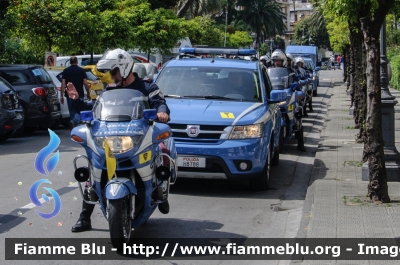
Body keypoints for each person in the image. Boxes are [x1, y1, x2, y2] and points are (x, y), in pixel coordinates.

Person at [67, 49, 170, 233]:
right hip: (111, 137)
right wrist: (76, 100)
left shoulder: (147, 87)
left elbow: (160, 103)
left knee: (162, 150)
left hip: (139, 136)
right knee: (94, 169)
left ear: (123, 68)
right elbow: (94, 108)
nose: (111, 76)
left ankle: (161, 191)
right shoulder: (110, 90)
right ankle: (85, 218)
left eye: (113, 72)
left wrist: (161, 112)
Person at [60, 56, 92, 129]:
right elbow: (85, 83)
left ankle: (73, 127)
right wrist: (88, 93)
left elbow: (63, 84)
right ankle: (75, 124)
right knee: (80, 110)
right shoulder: (81, 71)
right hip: (79, 94)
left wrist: (61, 95)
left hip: (69, 95)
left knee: (72, 111)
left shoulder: (65, 71)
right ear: (77, 62)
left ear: (70, 62)